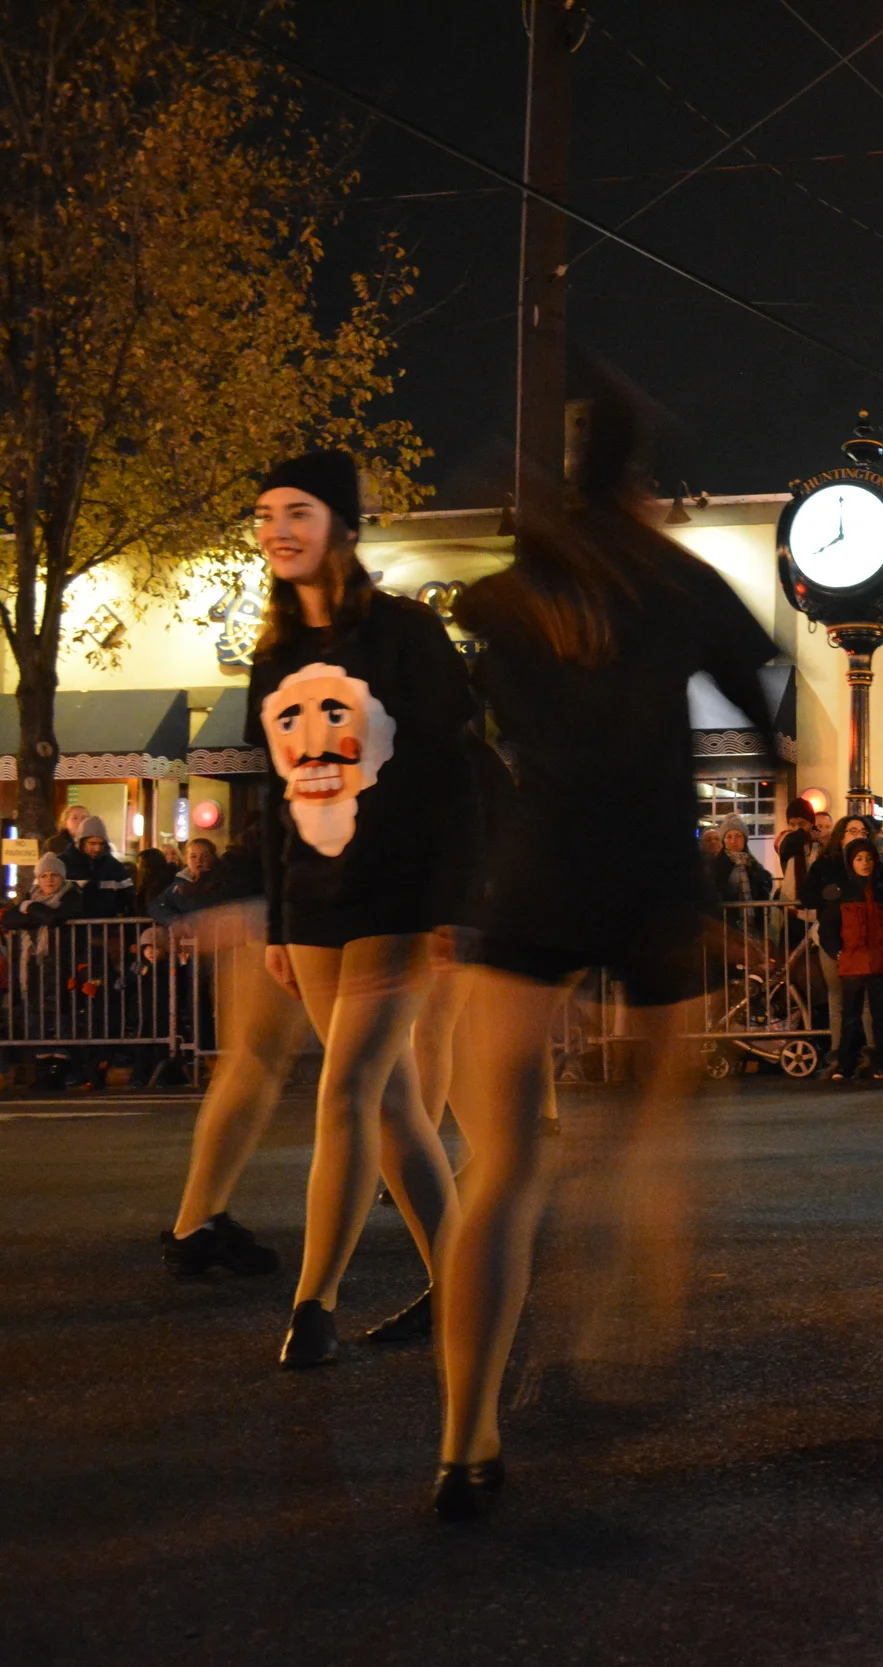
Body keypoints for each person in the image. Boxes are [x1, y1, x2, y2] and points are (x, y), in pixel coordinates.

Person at [433, 385, 779, 1521]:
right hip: (651, 876)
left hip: (533, 872)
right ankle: (631, 1307)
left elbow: (469, 726)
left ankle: (466, 1438)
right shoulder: (676, 578)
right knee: (658, 1121)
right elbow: (758, 700)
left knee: (499, 1165)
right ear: (642, 483)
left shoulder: (509, 588)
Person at [245, 449, 470, 1369]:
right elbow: (273, 797)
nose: (277, 530)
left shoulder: (405, 633)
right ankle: (466, 1281)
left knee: (346, 1089)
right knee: (394, 1106)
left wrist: (451, 899)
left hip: (398, 898)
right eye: (264, 515)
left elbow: (454, 767)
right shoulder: (272, 655)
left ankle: (314, 1304)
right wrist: (275, 923)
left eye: (297, 511)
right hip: (313, 905)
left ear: (340, 523)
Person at [158, 827, 311, 1280]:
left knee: (254, 1064)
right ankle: (455, 1261)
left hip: (289, 893)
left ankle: (197, 1225)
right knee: (370, 1081)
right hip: (302, 897)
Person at [817, 838, 883, 1080]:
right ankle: (846, 1064)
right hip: (854, 960)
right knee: (851, 1017)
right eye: (859, 859)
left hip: (880, 961)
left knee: (882, 1016)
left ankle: (881, 1063)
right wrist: (837, 952)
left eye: (869, 859)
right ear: (851, 862)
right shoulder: (842, 893)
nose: (865, 864)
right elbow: (828, 927)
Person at [61, 812, 134, 916]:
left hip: (106, 923)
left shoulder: (114, 866)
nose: (97, 849)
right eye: (92, 843)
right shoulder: (63, 863)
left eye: (101, 844)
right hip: (71, 922)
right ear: (81, 843)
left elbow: (127, 894)